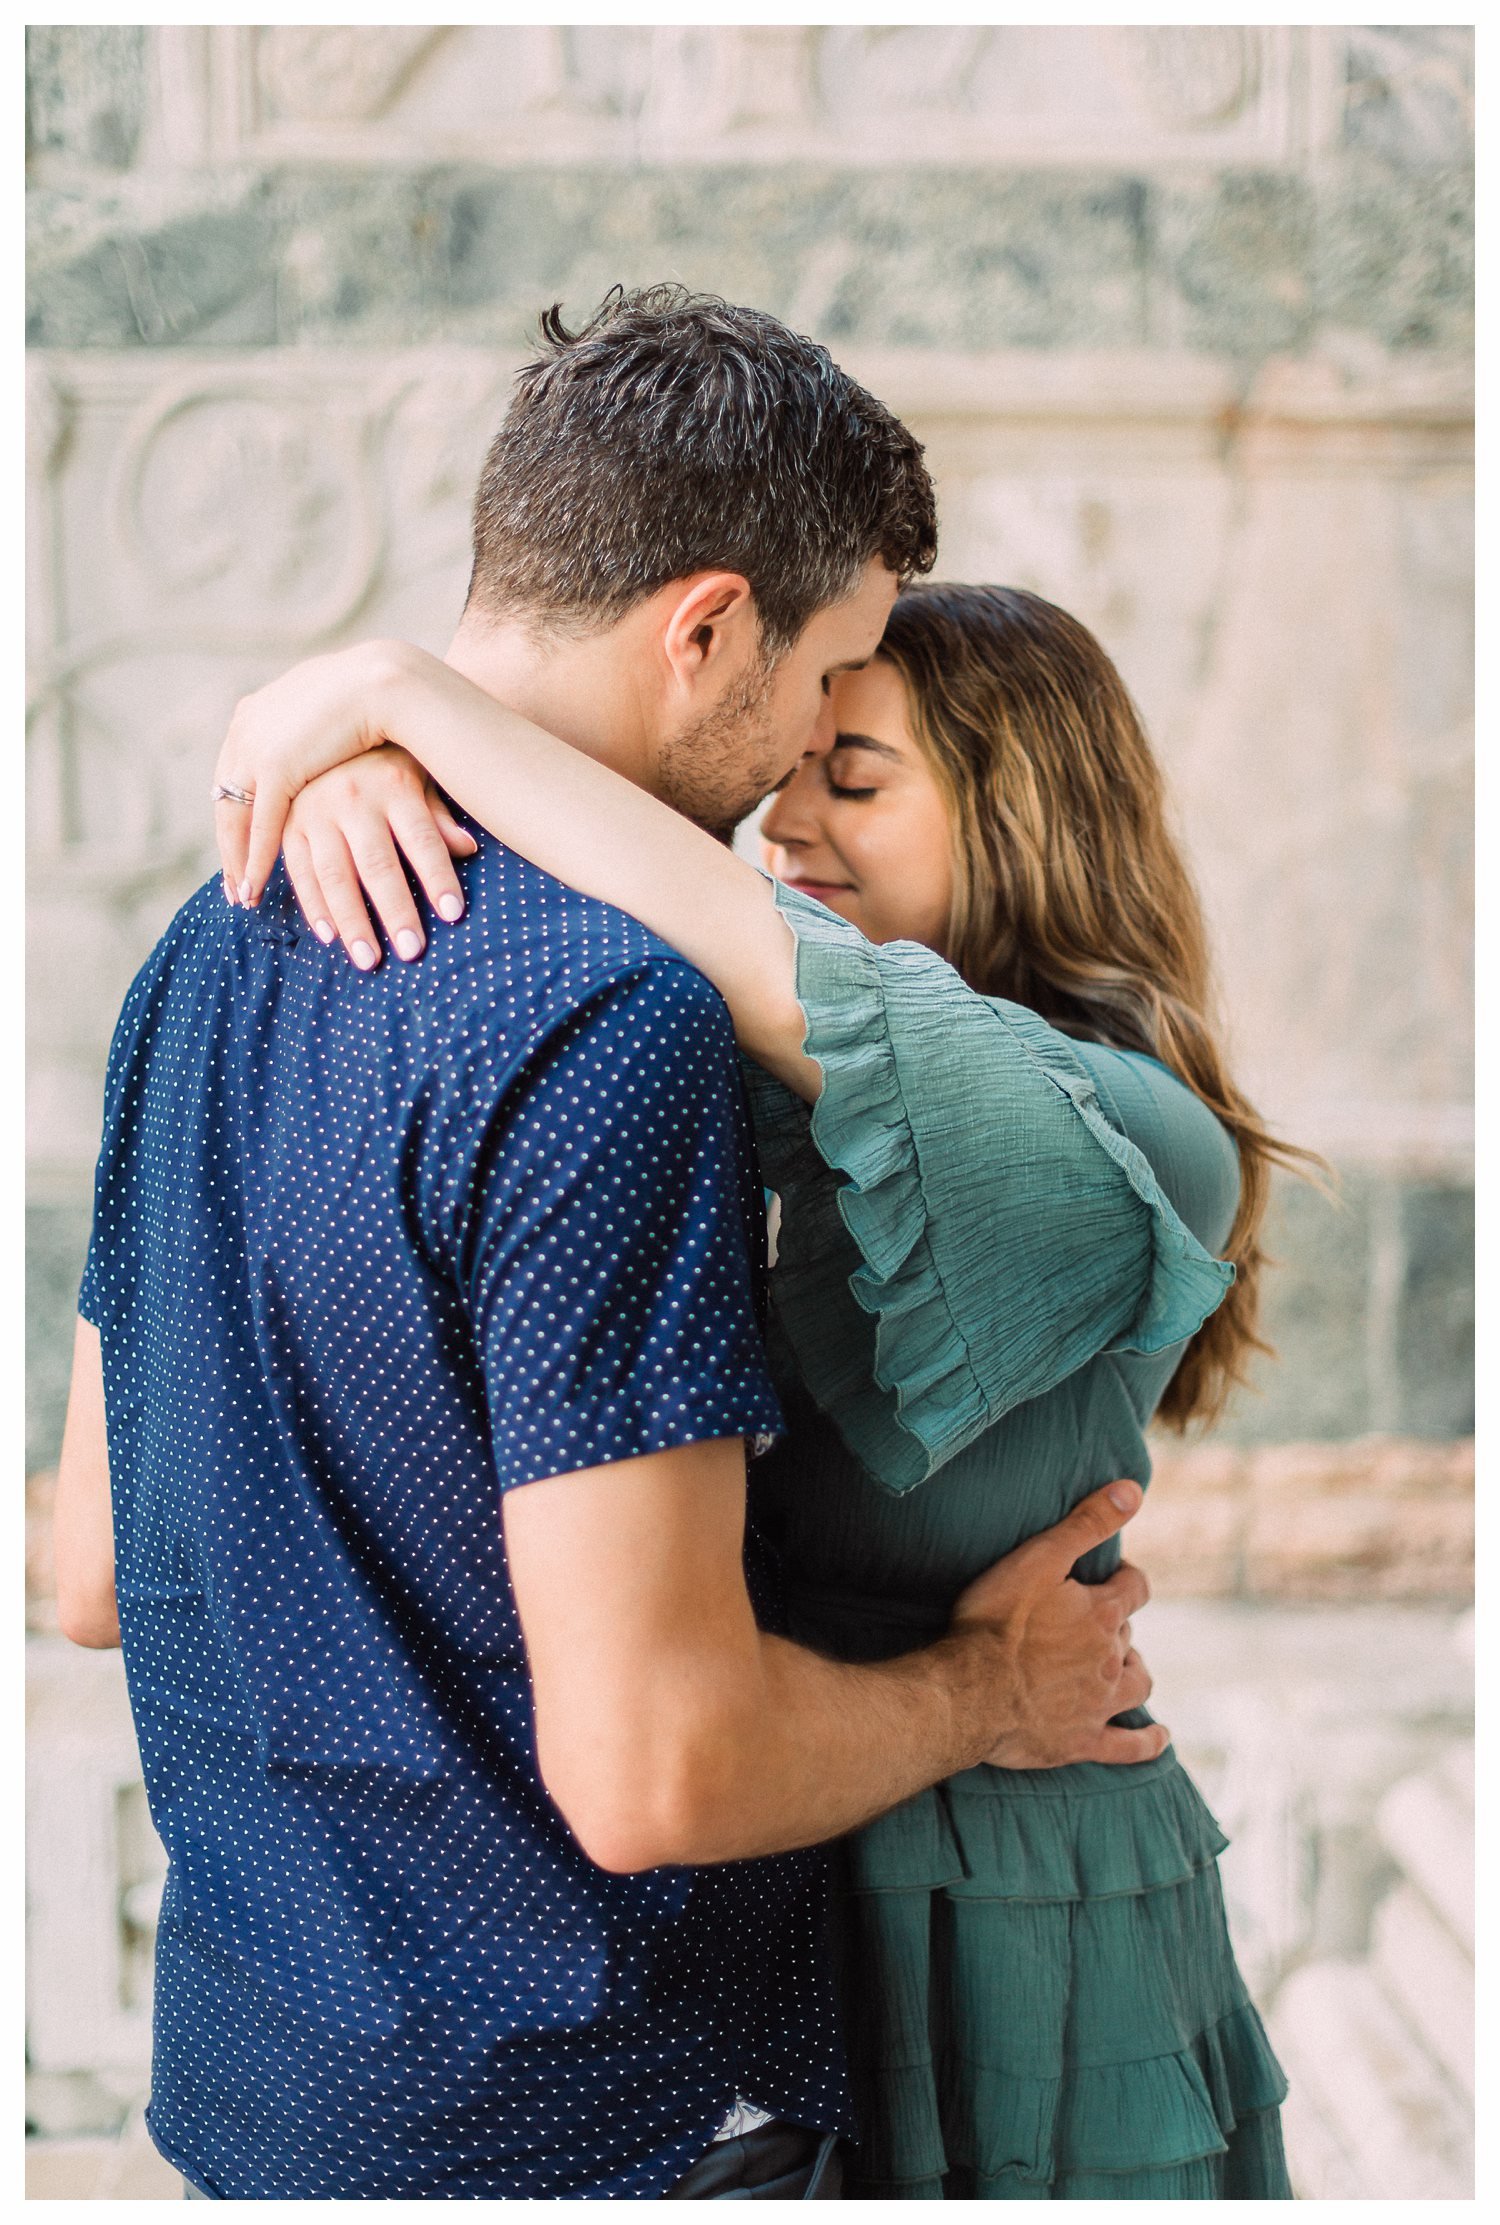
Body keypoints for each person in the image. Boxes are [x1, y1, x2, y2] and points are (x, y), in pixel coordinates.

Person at [52, 292, 1181, 2203]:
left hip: (258, 2105)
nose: (820, 736)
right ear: (708, 626)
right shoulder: (613, 1017)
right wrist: (992, 1693)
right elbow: (657, 1769)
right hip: (602, 2124)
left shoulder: (201, 950)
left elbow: (87, 1564)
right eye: (830, 671)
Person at [212, 581, 1307, 2200]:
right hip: (757, 1829)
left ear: (1034, 818)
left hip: (1001, 1883)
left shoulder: (1127, 1139)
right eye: (797, 760)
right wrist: (363, 790)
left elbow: (755, 952)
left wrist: (401, 699)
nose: (783, 819)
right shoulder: (747, 1065)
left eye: (853, 779)